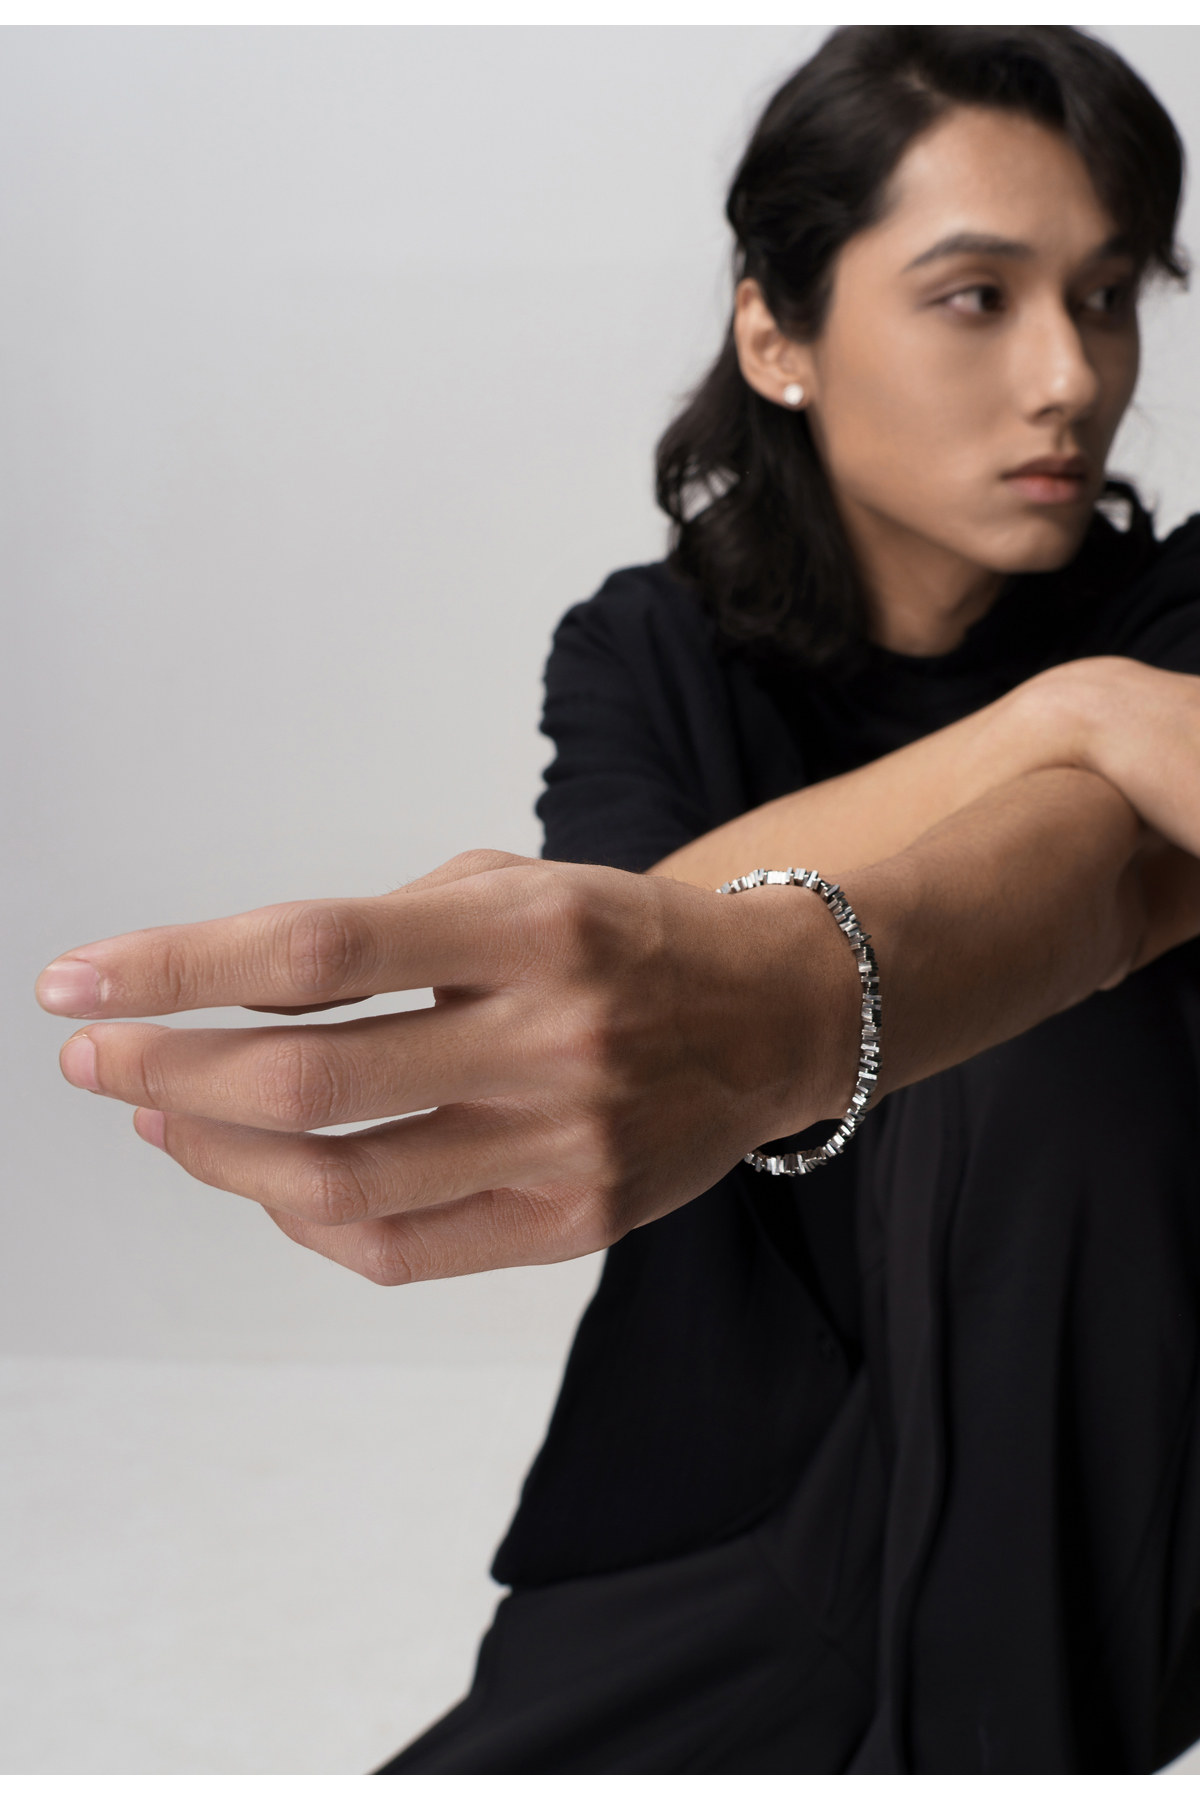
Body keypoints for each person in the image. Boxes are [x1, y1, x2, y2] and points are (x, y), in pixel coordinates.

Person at [33, 24, 1200, 1774]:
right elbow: (630, 954)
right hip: (748, 1487)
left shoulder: (1178, 612)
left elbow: (1092, 880)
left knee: (1036, 1057)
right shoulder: (647, 647)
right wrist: (1070, 723)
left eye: (1106, 298)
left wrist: (1084, 732)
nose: (1069, 375)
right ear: (777, 335)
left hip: (1111, 1460)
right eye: (978, 296)